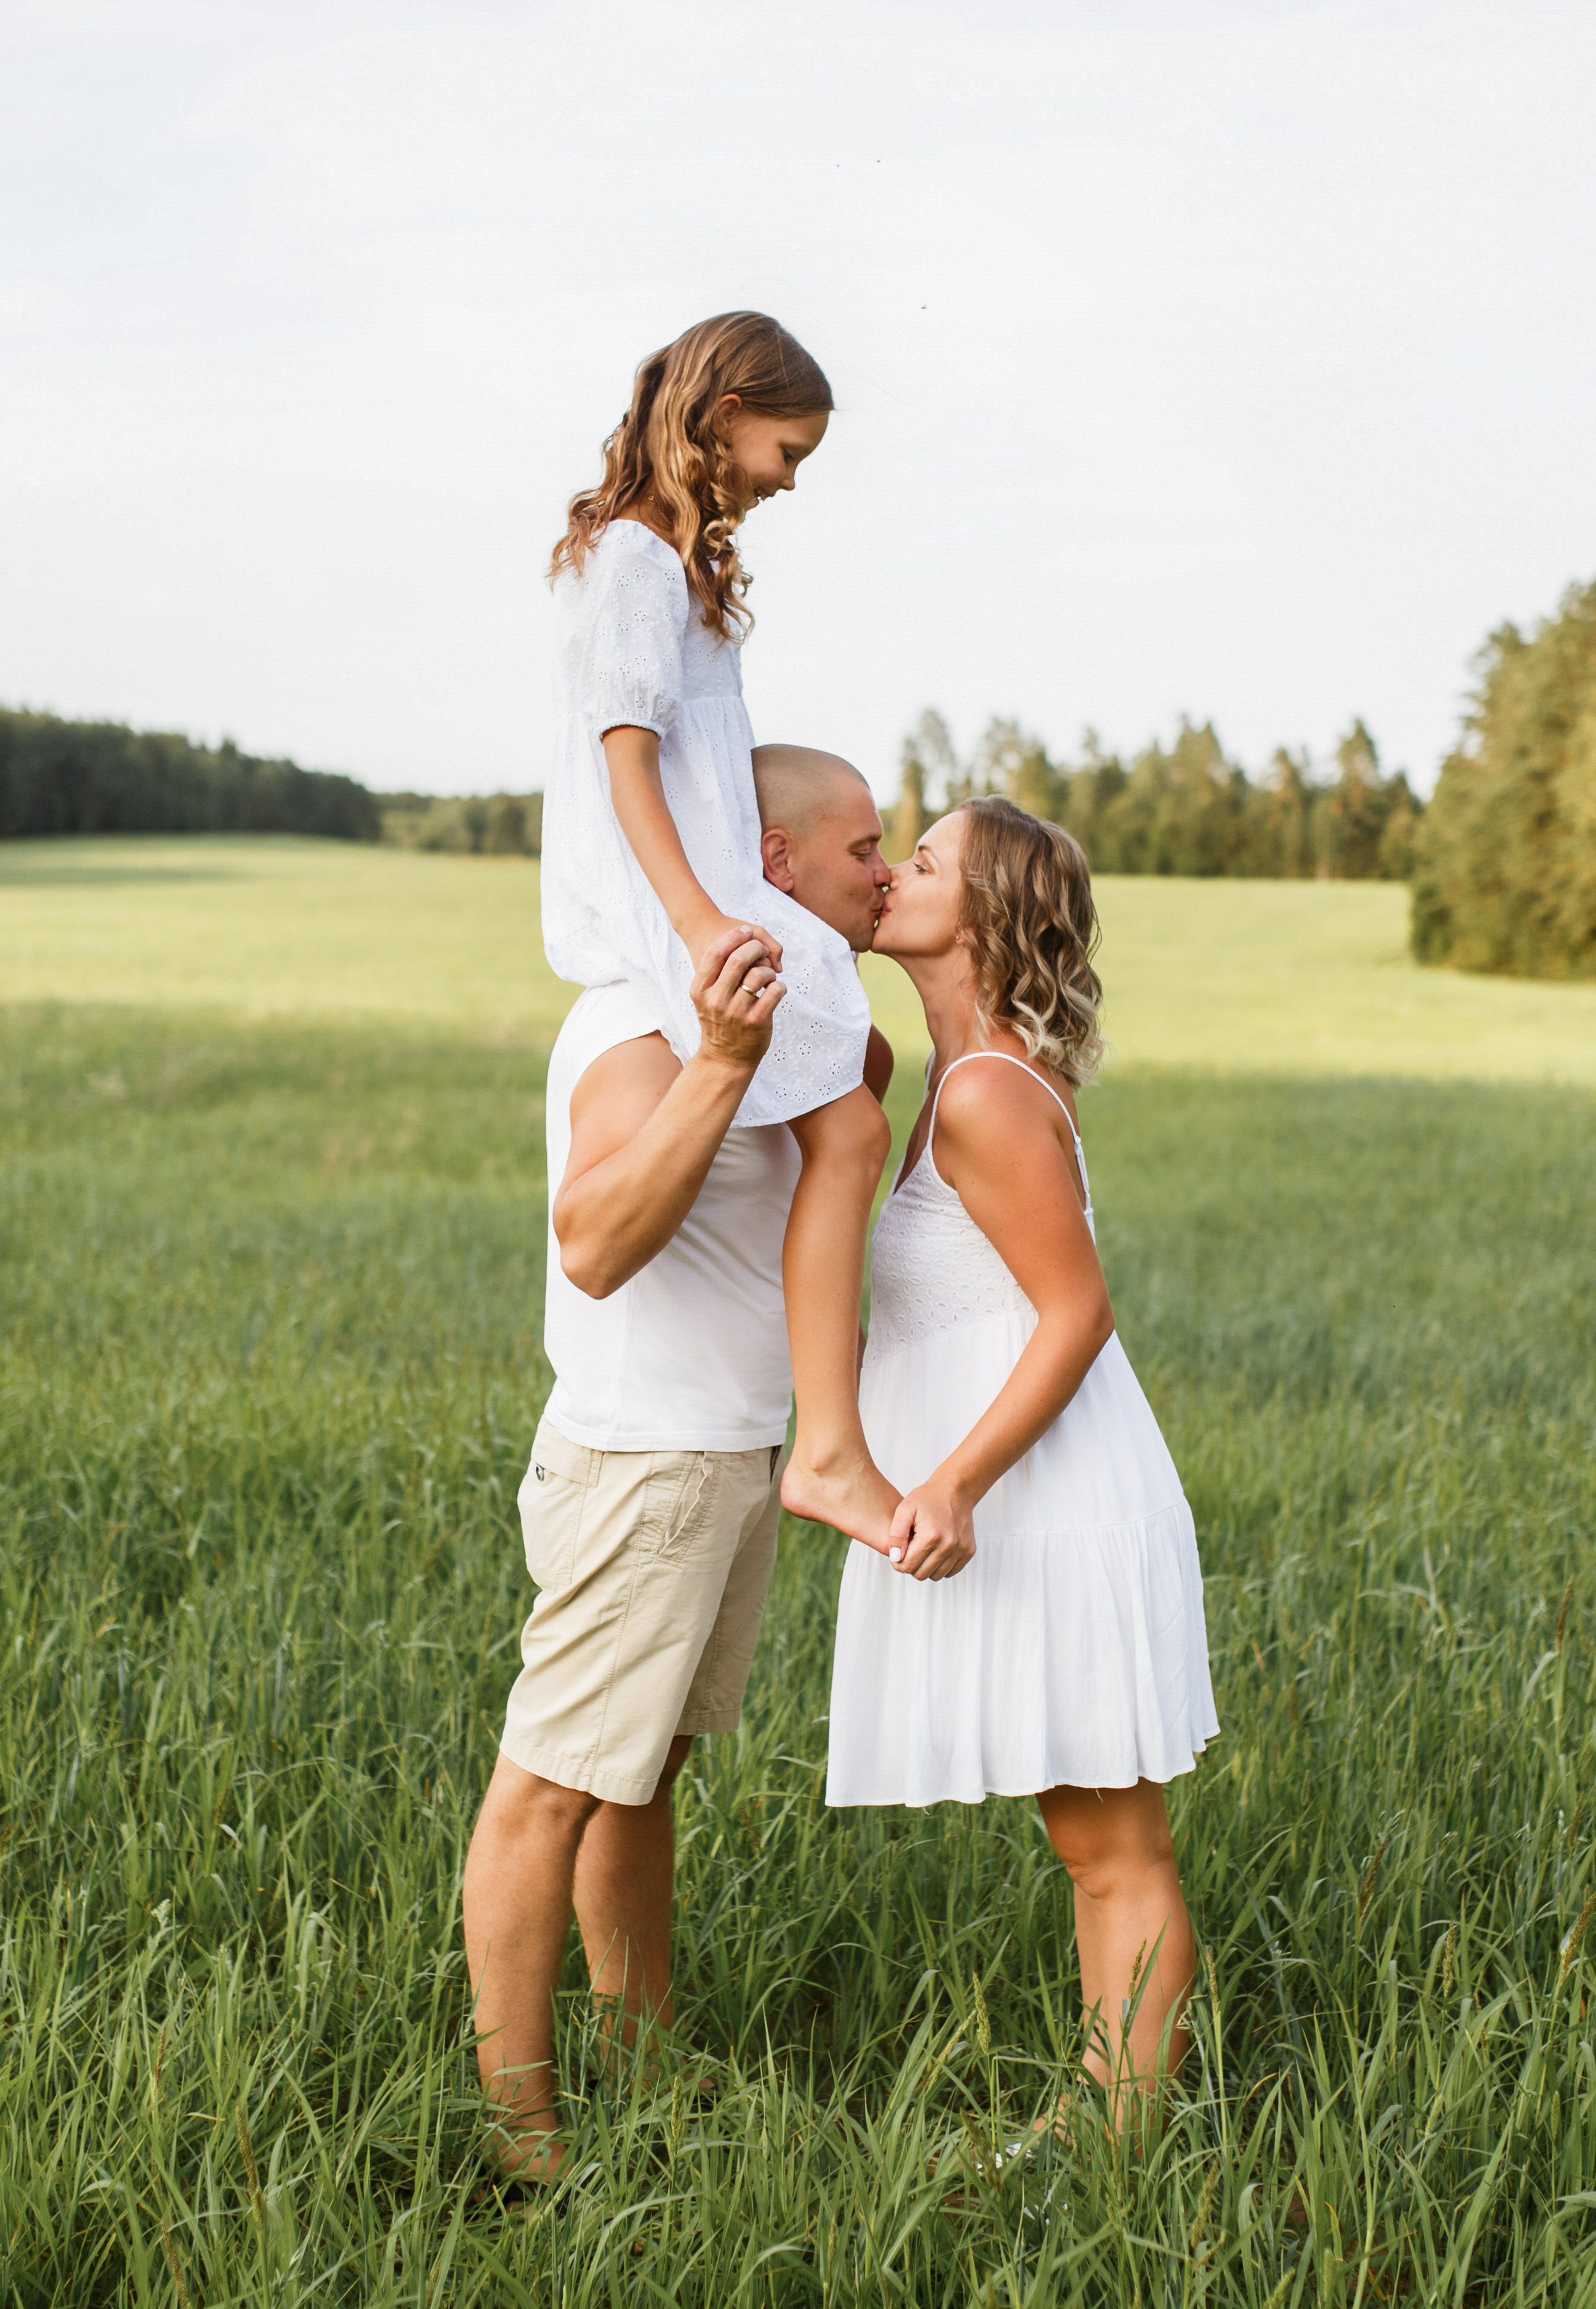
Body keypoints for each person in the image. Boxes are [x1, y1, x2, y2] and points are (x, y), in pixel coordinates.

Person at [463, 751, 894, 2189]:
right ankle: (520, 2125)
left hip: (723, 1455)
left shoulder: (795, 1019)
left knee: (640, 1775)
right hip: (642, 1462)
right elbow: (590, 1241)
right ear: (771, 857)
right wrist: (716, 1060)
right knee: (552, 1784)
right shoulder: (642, 1026)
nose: (881, 874)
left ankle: (640, 2049)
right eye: (862, 850)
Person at [826, 798, 1219, 2123]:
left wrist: (948, 1481)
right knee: (1092, 1845)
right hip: (1047, 1498)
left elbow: (1075, 1312)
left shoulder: (989, 1091)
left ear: (982, 915)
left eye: (921, 861)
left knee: (1113, 1848)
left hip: (1060, 1503)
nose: (888, 872)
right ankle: (1109, 2108)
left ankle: (1124, 2150)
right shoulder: (957, 1076)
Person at [543, 312, 898, 1550]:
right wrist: (699, 917)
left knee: (864, 1076)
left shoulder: (669, 564)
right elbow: (625, 753)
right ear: (723, 415)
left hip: (704, 894)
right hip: (683, 903)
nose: (789, 478)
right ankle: (835, 1444)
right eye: (787, 448)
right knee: (850, 1125)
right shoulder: (638, 560)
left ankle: (836, 1371)